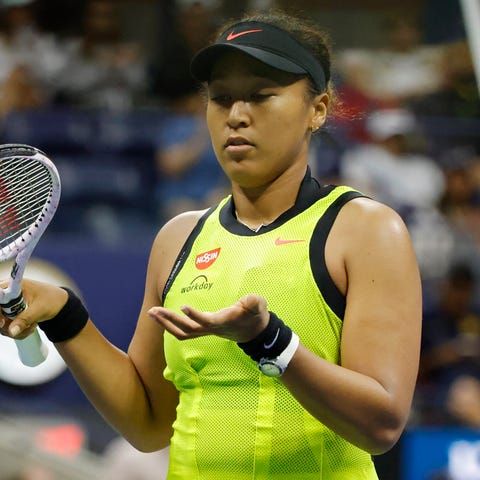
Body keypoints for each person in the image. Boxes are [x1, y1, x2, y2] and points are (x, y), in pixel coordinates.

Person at [0, 9, 422, 479]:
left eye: (262, 96)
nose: (237, 116)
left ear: (318, 109)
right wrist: (65, 316)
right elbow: (147, 424)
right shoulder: (178, 238)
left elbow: (382, 424)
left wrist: (270, 344)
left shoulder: (365, 229)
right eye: (221, 99)